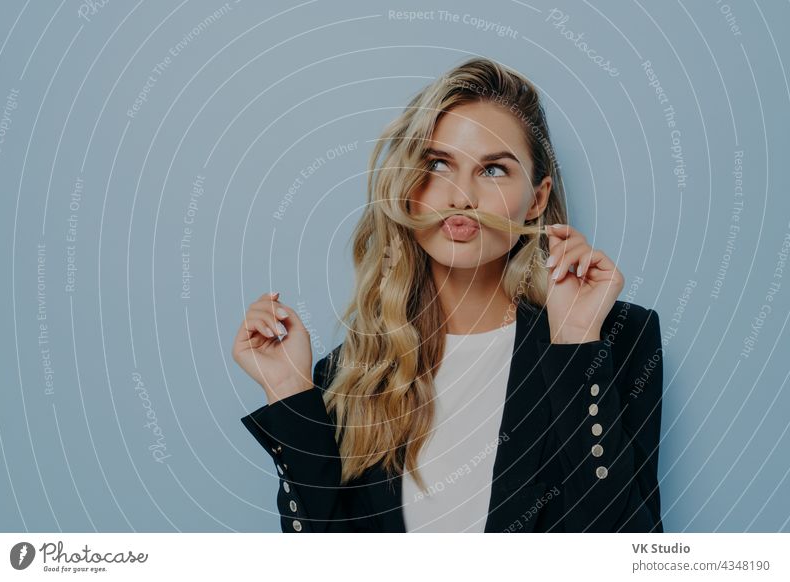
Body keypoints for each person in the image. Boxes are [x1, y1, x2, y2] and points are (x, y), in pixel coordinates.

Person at [232, 57, 664, 533]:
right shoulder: (350, 372)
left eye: (494, 170)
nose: (461, 197)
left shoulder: (617, 338)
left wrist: (576, 342)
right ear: (408, 188)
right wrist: (290, 392)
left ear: (537, 199)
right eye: (438, 164)